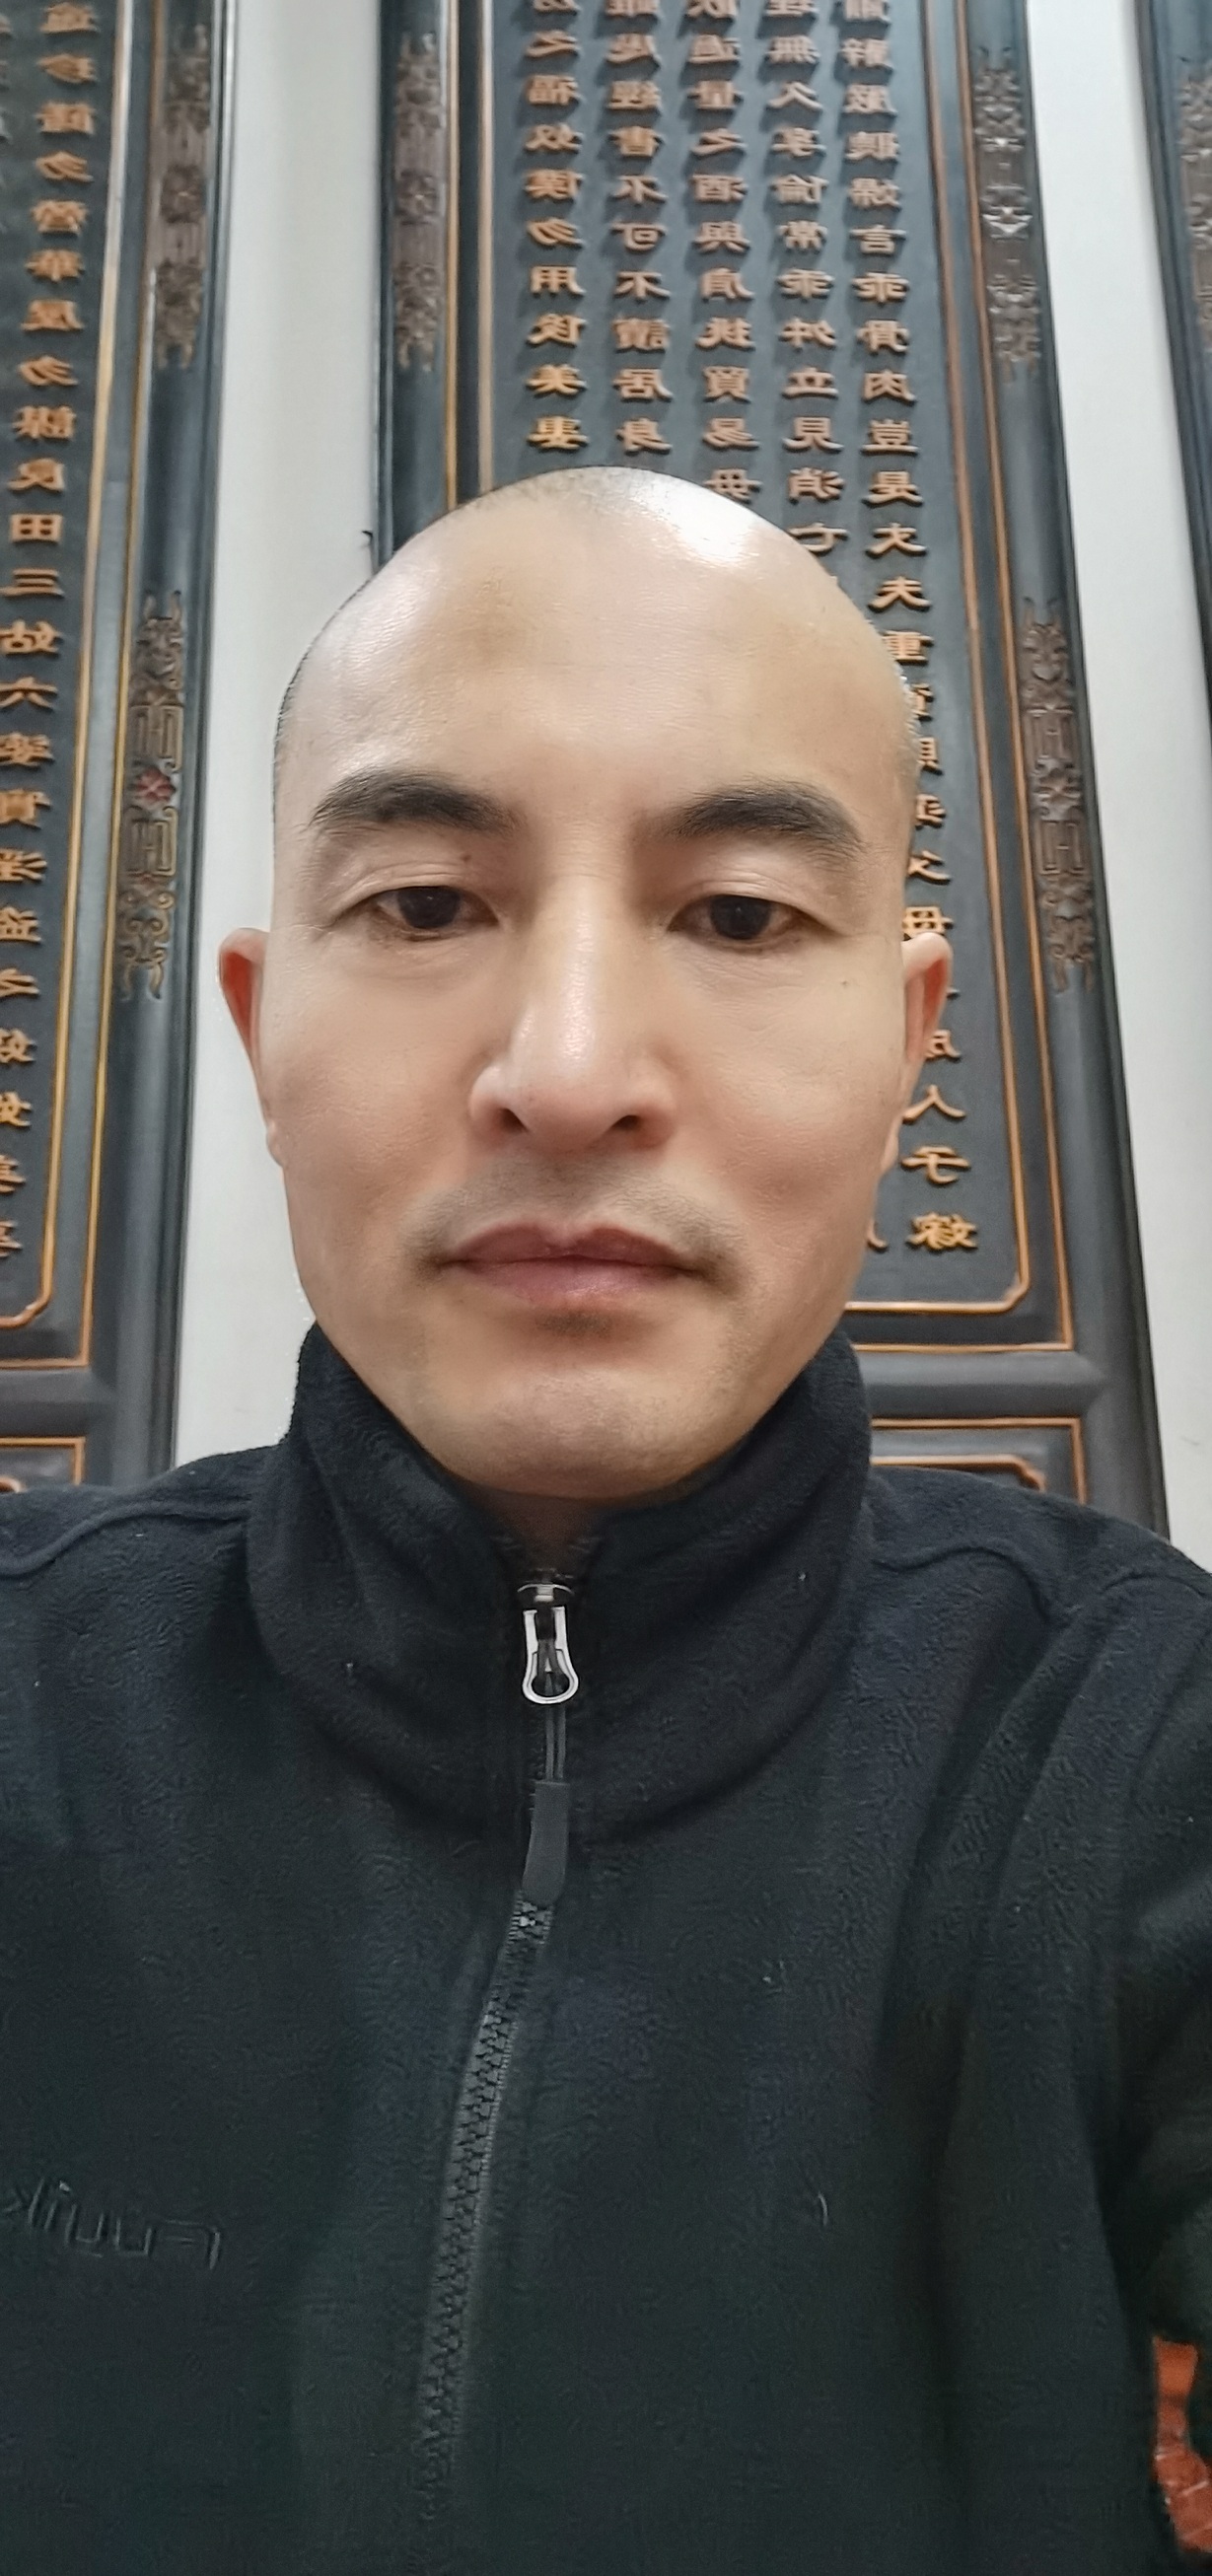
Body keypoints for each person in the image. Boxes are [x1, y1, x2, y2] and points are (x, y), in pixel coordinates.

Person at [1, 468, 1209, 2576]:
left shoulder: (1141, 1742)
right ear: (264, 1034)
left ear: (905, 1042)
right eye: (424, 906)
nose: (566, 1074)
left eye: (738, 915)